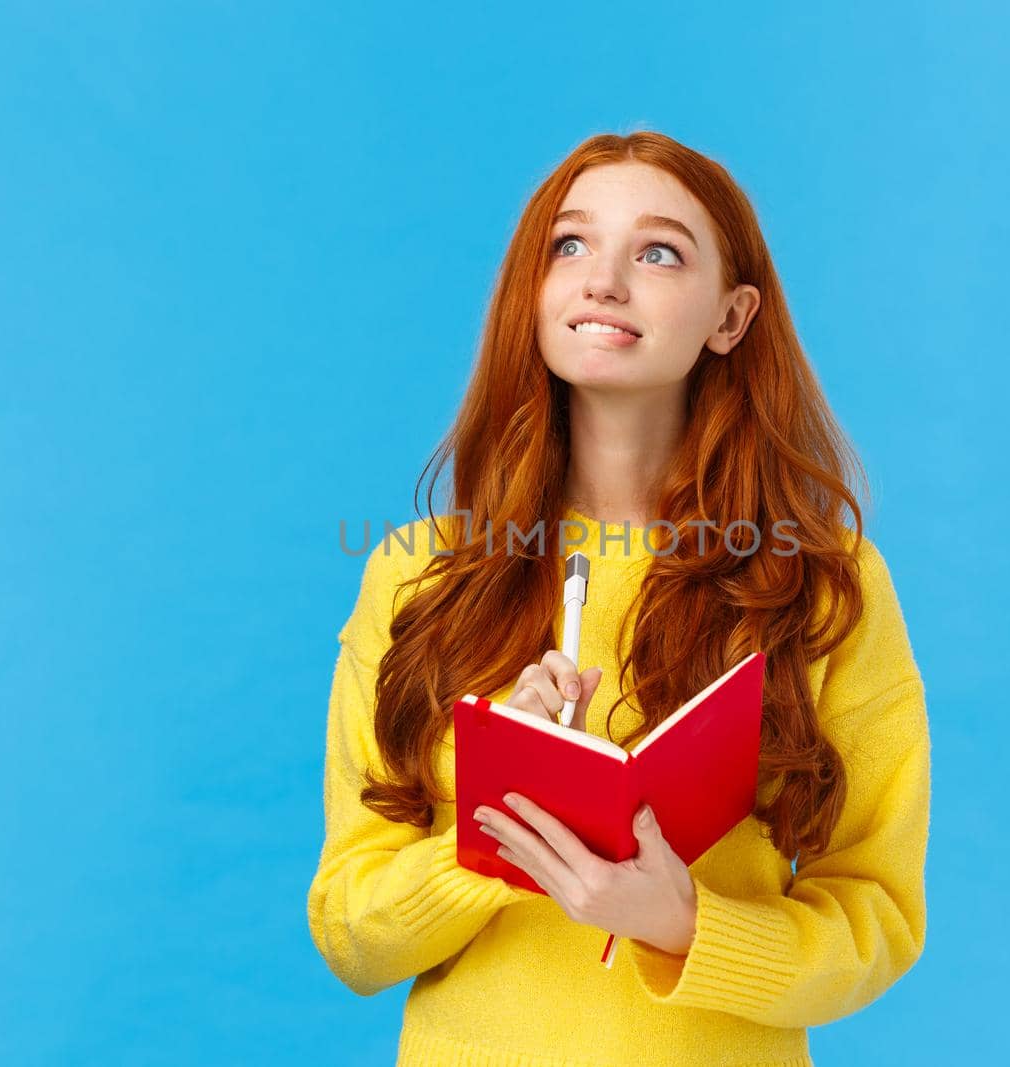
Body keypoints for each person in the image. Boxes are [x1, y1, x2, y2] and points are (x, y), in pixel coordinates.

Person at [308, 130, 931, 1066]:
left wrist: (684, 921)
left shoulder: (821, 580)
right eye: (570, 245)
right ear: (535, 290)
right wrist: (492, 832)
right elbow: (353, 939)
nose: (603, 280)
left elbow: (877, 915)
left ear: (731, 315)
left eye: (658, 251)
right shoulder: (417, 572)